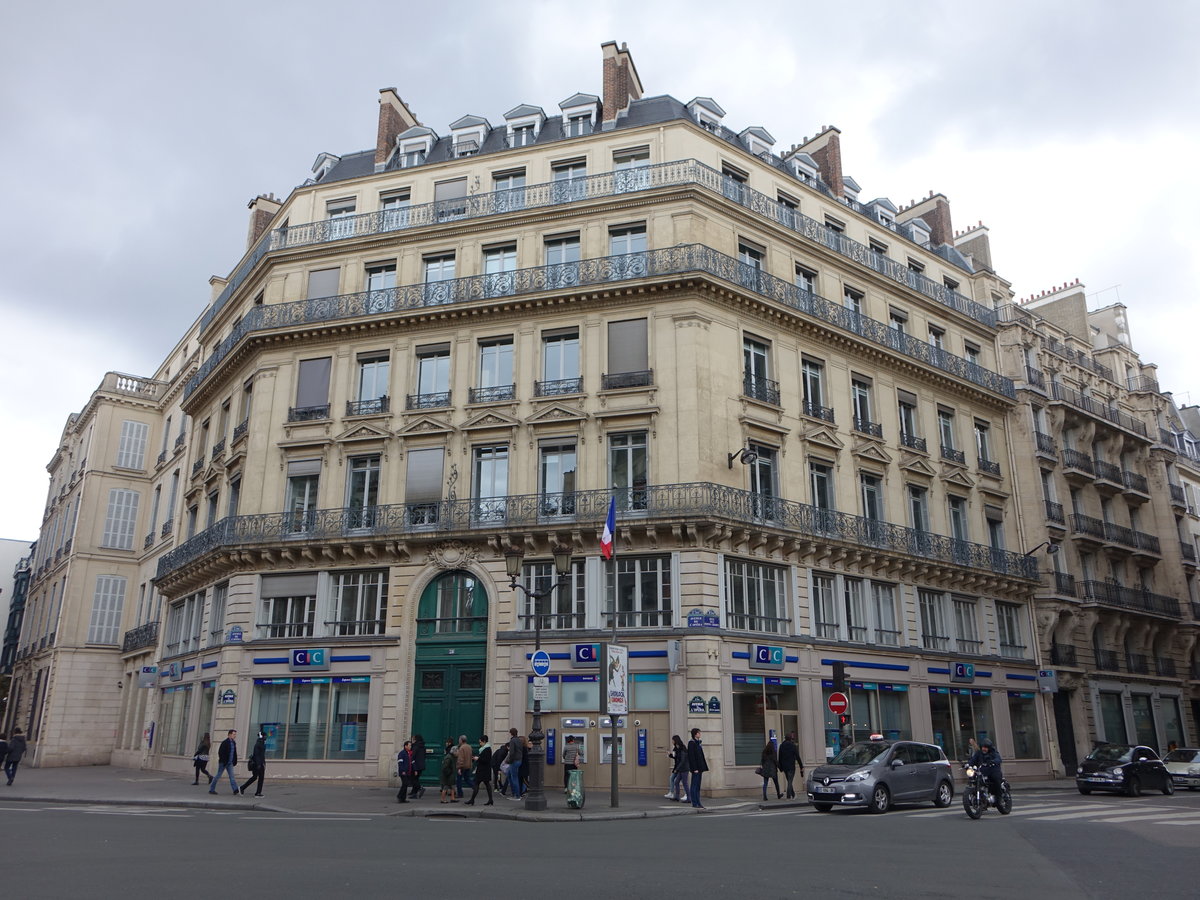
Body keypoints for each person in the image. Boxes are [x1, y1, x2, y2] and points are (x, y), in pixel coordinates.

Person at [967, 737, 1004, 803]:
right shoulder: (979, 753)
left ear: (989, 748)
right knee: (974, 778)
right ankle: (980, 798)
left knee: (996, 778)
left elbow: (998, 759)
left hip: (993, 770)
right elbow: (973, 760)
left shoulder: (993, 753)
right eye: (983, 747)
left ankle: (999, 797)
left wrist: (993, 761)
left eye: (986, 747)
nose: (984, 749)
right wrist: (967, 764)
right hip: (982, 771)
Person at [208, 729, 239, 795]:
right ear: (229, 734)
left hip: (230, 763)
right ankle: (211, 789)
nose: (235, 736)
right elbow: (220, 752)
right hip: (223, 762)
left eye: (235, 734)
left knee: (232, 777)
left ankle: (235, 789)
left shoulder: (233, 743)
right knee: (218, 776)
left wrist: (235, 760)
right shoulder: (225, 742)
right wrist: (224, 760)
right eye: (234, 734)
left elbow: (234, 753)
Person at [466, 736, 493, 805]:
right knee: (486, 784)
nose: (479, 743)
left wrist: (477, 758)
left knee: (477, 784)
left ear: (484, 741)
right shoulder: (484, 749)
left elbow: (486, 760)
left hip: (483, 770)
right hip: (484, 770)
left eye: (480, 742)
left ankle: (472, 800)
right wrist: (477, 758)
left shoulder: (487, 749)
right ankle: (490, 800)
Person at [240, 730, 266, 797]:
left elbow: (261, 755)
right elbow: (257, 755)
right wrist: (259, 764)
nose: (266, 737)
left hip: (260, 763)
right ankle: (256, 792)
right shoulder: (259, 744)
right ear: (262, 736)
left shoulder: (261, 743)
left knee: (257, 777)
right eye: (264, 736)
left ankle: (243, 788)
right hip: (258, 764)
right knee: (257, 778)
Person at [686, 727, 708, 809]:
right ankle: (694, 803)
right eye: (699, 733)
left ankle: (698, 802)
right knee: (694, 785)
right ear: (695, 734)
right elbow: (691, 757)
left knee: (698, 785)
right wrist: (694, 768)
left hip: (700, 767)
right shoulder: (691, 743)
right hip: (696, 768)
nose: (700, 734)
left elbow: (701, 756)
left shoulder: (698, 743)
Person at [777, 732, 802, 799]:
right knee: (790, 781)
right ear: (790, 738)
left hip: (785, 766)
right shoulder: (793, 745)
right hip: (791, 766)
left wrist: (780, 767)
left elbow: (779, 757)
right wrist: (801, 766)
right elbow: (797, 756)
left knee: (789, 781)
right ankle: (788, 796)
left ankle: (793, 794)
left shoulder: (782, 746)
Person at [667, 734, 689, 802]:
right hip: (679, 768)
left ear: (676, 740)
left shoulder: (682, 748)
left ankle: (688, 796)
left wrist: (676, 769)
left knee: (684, 782)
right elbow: (676, 757)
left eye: (673, 740)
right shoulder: (676, 748)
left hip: (683, 768)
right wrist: (670, 755)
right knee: (676, 781)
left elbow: (682, 760)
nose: (672, 741)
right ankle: (676, 796)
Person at [505, 728, 524, 800]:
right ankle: (514, 793)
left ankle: (517, 795)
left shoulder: (512, 740)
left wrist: (509, 761)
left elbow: (512, 752)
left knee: (514, 778)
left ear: (511, 733)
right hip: (519, 760)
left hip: (514, 761)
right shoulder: (519, 740)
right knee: (509, 775)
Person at [455, 734, 474, 798]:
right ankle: (474, 787)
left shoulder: (462, 748)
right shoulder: (469, 747)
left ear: (461, 740)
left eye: (459, 740)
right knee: (467, 779)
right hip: (468, 766)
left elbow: (461, 758)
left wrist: (459, 768)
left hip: (462, 766)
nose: (458, 741)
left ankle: (460, 794)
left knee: (459, 781)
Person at [410, 734, 427, 799]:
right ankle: (414, 792)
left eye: (413, 739)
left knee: (413, 779)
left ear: (415, 739)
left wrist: (413, 766)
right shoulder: (423, 746)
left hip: (415, 765)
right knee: (416, 778)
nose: (412, 740)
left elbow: (413, 756)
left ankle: (420, 788)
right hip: (421, 765)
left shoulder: (415, 746)